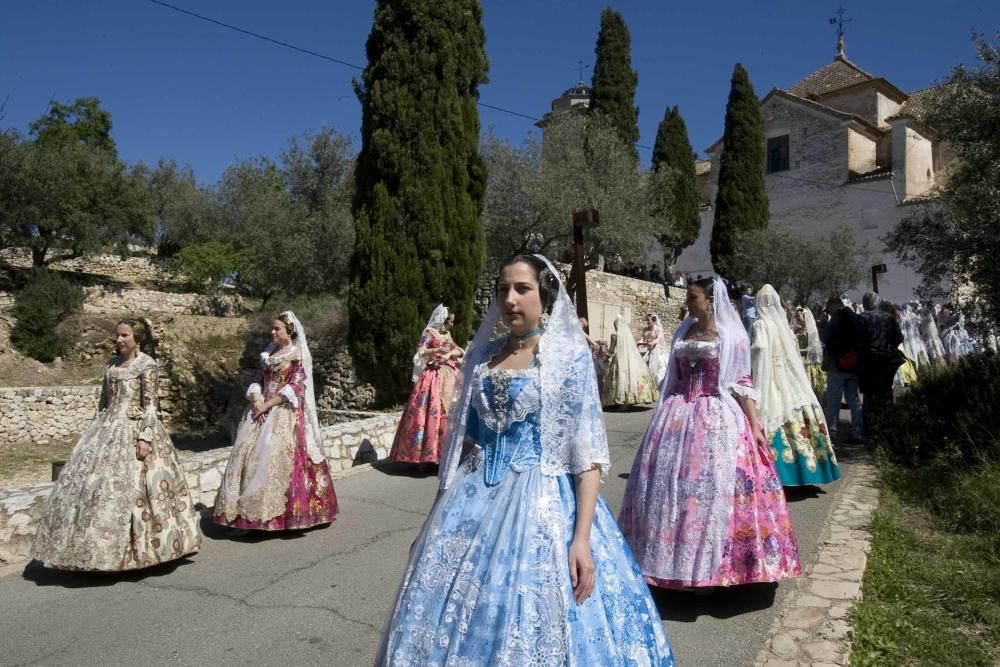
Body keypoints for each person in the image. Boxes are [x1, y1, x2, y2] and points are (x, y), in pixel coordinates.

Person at [376, 254, 676, 665]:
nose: (510, 299)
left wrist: (581, 540)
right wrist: (432, 519)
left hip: (542, 502)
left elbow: (585, 457)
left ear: (544, 295)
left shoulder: (566, 361)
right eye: (503, 290)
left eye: (522, 289)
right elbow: (465, 444)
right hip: (469, 503)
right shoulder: (481, 359)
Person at [618, 278, 801, 590]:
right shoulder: (683, 330)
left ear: (710, 301)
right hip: (676, 416)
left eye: (693, 298)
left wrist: (754, 425)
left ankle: (713, 569)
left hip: (716, 416)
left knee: (711, 488)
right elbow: (673, 377)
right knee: (666, 487)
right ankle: (663, 561)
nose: (688, 303)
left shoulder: (731, 337)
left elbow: (741, 381)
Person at [32, 319, 201, 571]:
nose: (119, 340)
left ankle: (139, 552)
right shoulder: (111, 365)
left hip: (133, 429)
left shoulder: (147, 364)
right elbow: (103, 402)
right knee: (93, 488)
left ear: (138, 339)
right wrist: (93, 432)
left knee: (137, 491)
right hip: (107, 430)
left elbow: (151, 404)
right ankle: (89, 550)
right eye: (118, 335)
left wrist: (145, 436)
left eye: (124, 335)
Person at [213, 312, 338, 534]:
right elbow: (259, 380)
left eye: (277, 329)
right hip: (260, 410)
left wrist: (268, 405)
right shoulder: (269, 354)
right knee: (247, 458)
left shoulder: (296, 354)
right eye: (272, 328)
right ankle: (246, 515)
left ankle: (278, 516)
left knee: (273, 459)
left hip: (283, 413)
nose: (272, 332)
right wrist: (256, 400)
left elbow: (296, 385)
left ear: (289, 331)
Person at [751, 286, 839, 486]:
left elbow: (759, 355)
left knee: (771, 415)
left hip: (770, 377)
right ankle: (811, 470)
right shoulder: (785, 327)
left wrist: (757, 385)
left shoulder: (760, 325)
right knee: (799, 412)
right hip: (791, 380)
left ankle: (779, 474)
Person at [388, 305, 465, 467]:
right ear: (442, 320)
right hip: (432, 376)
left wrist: (451, 353)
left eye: (452, 322)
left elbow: (459, 350)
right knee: (426, 412)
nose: (452, 325)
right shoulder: (429, 333)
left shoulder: (448, 335)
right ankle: (421, 457)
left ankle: (440, 454)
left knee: (446, 413)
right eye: (449, 321)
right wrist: (436, 349)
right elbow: (421, 350)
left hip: (449, 375)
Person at [821, 297, 866, 444]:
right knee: (853, 398)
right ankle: (857, 431)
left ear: (833, 306)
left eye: (828, 309)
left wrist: (822, 322)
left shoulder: (837, 318)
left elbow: (825, 337)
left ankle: (832, 431)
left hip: (837, 365)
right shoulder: (856, 317)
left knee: (834, 399)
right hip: (853, 364)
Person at [858, 292, 904, 434]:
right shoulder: (889, 318)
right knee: (885, 390)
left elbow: (856, 340)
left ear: (865, 304)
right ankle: (887, 423)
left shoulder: (861, 319)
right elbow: (899, 338)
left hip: (867, 360)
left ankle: (870, 425)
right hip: (885, 360)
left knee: (869, 393)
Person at [602, 314, 659, 407]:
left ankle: (621, 398)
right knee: (631, 376)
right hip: (631, 359)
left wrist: (606, 353)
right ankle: (633, 396)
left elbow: (611, 351)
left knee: (621, 377)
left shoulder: (614, 336)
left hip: (619, 359)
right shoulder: (628, 336)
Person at [798, 306, 826, 399]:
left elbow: (812, 349)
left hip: (807, 361)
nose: (796, 318)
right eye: (796, 316)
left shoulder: (811, 332)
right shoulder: (797, 330)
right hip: (798, 360)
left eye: (798, 316)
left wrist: (798, 350)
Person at [640, 312, 670, 385]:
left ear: (653, 320)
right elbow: (642, 338)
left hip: (655, 349)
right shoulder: (645, 329)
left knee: (658, 366)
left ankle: (657, 383)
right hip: (646, 348)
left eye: (648, 320)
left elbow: (658, 339)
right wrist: (639, 342)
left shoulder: (658, 329)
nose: (647, 322)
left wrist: (652, 342)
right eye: (646, 320)